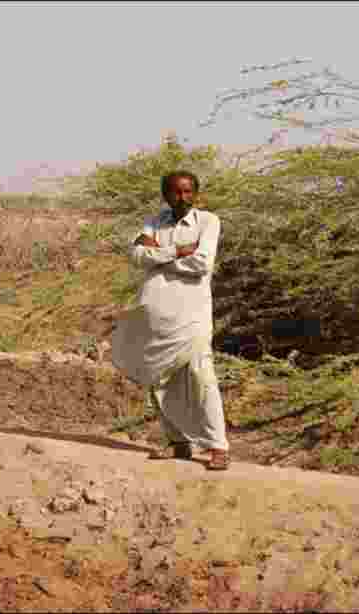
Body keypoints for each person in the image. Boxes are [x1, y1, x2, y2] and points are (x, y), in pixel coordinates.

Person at [110, 170, 231, 470]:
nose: (182, 198)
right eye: (176, 192)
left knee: (201, 376)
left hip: (191, 315)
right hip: (154, 315)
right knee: (159, 377)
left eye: (188, 192)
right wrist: (178, 250)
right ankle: (178, 443)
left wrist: (158, 255)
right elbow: (137, 255)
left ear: (196, 193)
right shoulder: (155, 220)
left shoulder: (208, 221)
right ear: (166, 194)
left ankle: (218, 446)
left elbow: (202, 262)